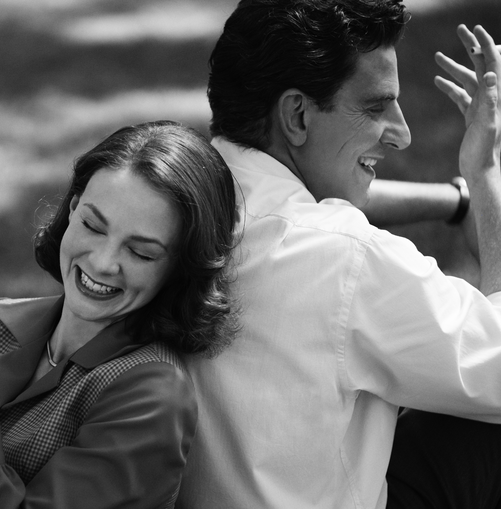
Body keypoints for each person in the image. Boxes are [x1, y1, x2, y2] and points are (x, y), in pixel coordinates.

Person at [175, 1, 501, 508]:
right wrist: (485, 180)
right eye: (375, 107)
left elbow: (311, 205)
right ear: (297, 115)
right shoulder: (345, 257)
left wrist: (453, 201)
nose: (402, 132)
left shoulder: (174, 197)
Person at [0, 120, 238, 509]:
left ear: (180, 269)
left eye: (141, 252)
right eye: (93, 225)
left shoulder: (151, 396)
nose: (104, 262)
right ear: (73, 209)